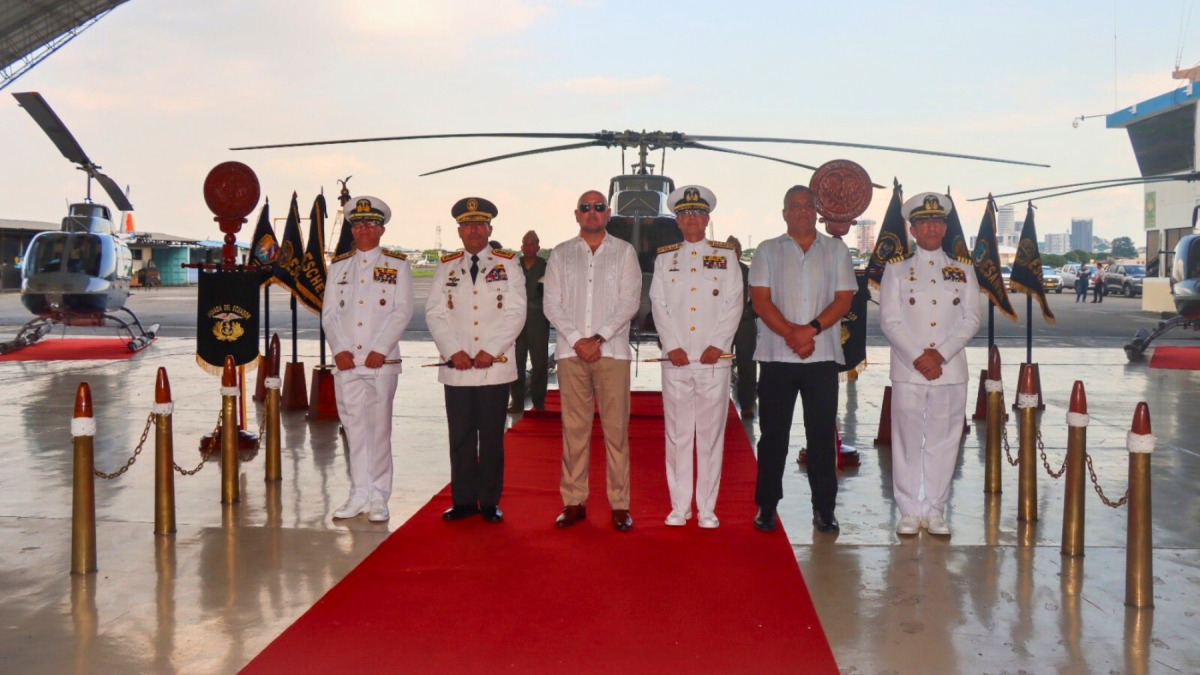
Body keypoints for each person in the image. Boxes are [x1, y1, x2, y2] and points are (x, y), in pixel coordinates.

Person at [749, 185, 857, 533]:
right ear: (784, 213)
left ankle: (824, 509)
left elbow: (843, 300)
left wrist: (808, 331)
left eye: (807, 206)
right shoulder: (766, 251)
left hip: (821, 357)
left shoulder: (836, 251)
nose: (801, 211)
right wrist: (791, 336)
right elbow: (761, 301)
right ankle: (766, 506)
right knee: (773, 437)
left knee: (822, 437)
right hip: (777, 358)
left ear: (816, 212)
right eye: (794, 206)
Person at [879, 192, 981, 537]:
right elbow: (890, 321)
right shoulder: (896, 271)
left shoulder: (964, 270)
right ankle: (909, 511)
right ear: (913, 229)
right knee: (906, 440)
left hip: (950, 370)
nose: (932, 227)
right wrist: (919, 357)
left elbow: (971, 320)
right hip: (909, 370)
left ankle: (935, 510)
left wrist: (940, 354)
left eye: (937, 221)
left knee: (944, 440)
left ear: (945, 226)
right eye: (924, 222)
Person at [543, 190, 642, 531]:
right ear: (576, 214)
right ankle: (573, 502)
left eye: (598, 207)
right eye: (585, 208)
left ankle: (619, 504)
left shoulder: (624, 252)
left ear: (608, 213)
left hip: (612, 353)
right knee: (574, 432)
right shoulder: (561, 253)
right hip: (572, 354)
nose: (592, 213)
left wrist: (598, 338)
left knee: (616, 432)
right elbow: (551, 304)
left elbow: (629, 301)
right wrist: (578, 340)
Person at [425, 197, 527, 523]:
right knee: (461, 436)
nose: (473, 230)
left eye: (479, 224)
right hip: (457, 368)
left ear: (489, 229)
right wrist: (453, 350)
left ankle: (489, 502)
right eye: (467, 225)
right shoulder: (446, 265)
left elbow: (516, 313)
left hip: (493, 369)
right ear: (459, 231)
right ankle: (464, 501)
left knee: (492, 439)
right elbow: (435, 313)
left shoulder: (508, 263)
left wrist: (490, 350)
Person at [649, 186, 743, 529]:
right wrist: (671, 343)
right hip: (675, 359)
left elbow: (734, 301)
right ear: (677, 220)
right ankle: (679, 506)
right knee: (677, 434)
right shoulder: (664, 259)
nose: (691, 219)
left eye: (697, 213)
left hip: (713, 361)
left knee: (709, 434)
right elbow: (658, 303)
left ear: (707, 219)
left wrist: (717, 343)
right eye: (685, 214)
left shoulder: (726, 256)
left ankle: (707, 508)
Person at [322, 195, 414, 522]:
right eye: (358, 224)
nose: (364, 229)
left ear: (382, 229)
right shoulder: (339, 266)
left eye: (371, 224)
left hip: (381, 362)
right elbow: (330, 314)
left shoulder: (397, 264)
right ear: (352, 229)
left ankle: (379, 496)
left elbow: (402, 311)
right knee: (354, 429)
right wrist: (340, 350)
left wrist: (381, 348)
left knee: (378, 431)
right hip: (347, 363)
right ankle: (358, 493)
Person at [509, 230, 549, 412]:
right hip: (516, 320)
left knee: (539, 362)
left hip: (538, 320)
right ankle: (516, 401)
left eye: (532, 244)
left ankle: (538, 401)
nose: (528, 247)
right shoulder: (513, 265)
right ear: (521, 246)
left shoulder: (546, 266)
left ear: (538, 247)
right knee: (516, 362)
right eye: (525, 244)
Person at [728, 235, 758, 418]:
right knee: (719, 363)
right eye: (729, 250)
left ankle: (747, 403)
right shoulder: (716, 271)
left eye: (736, 250)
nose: (733, 253)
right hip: (722, 323)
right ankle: (718, 403)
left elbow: (758, 296)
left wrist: (751, 313)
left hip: (744, 322)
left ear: (739, 252)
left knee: (747, 364)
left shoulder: (749, 272)